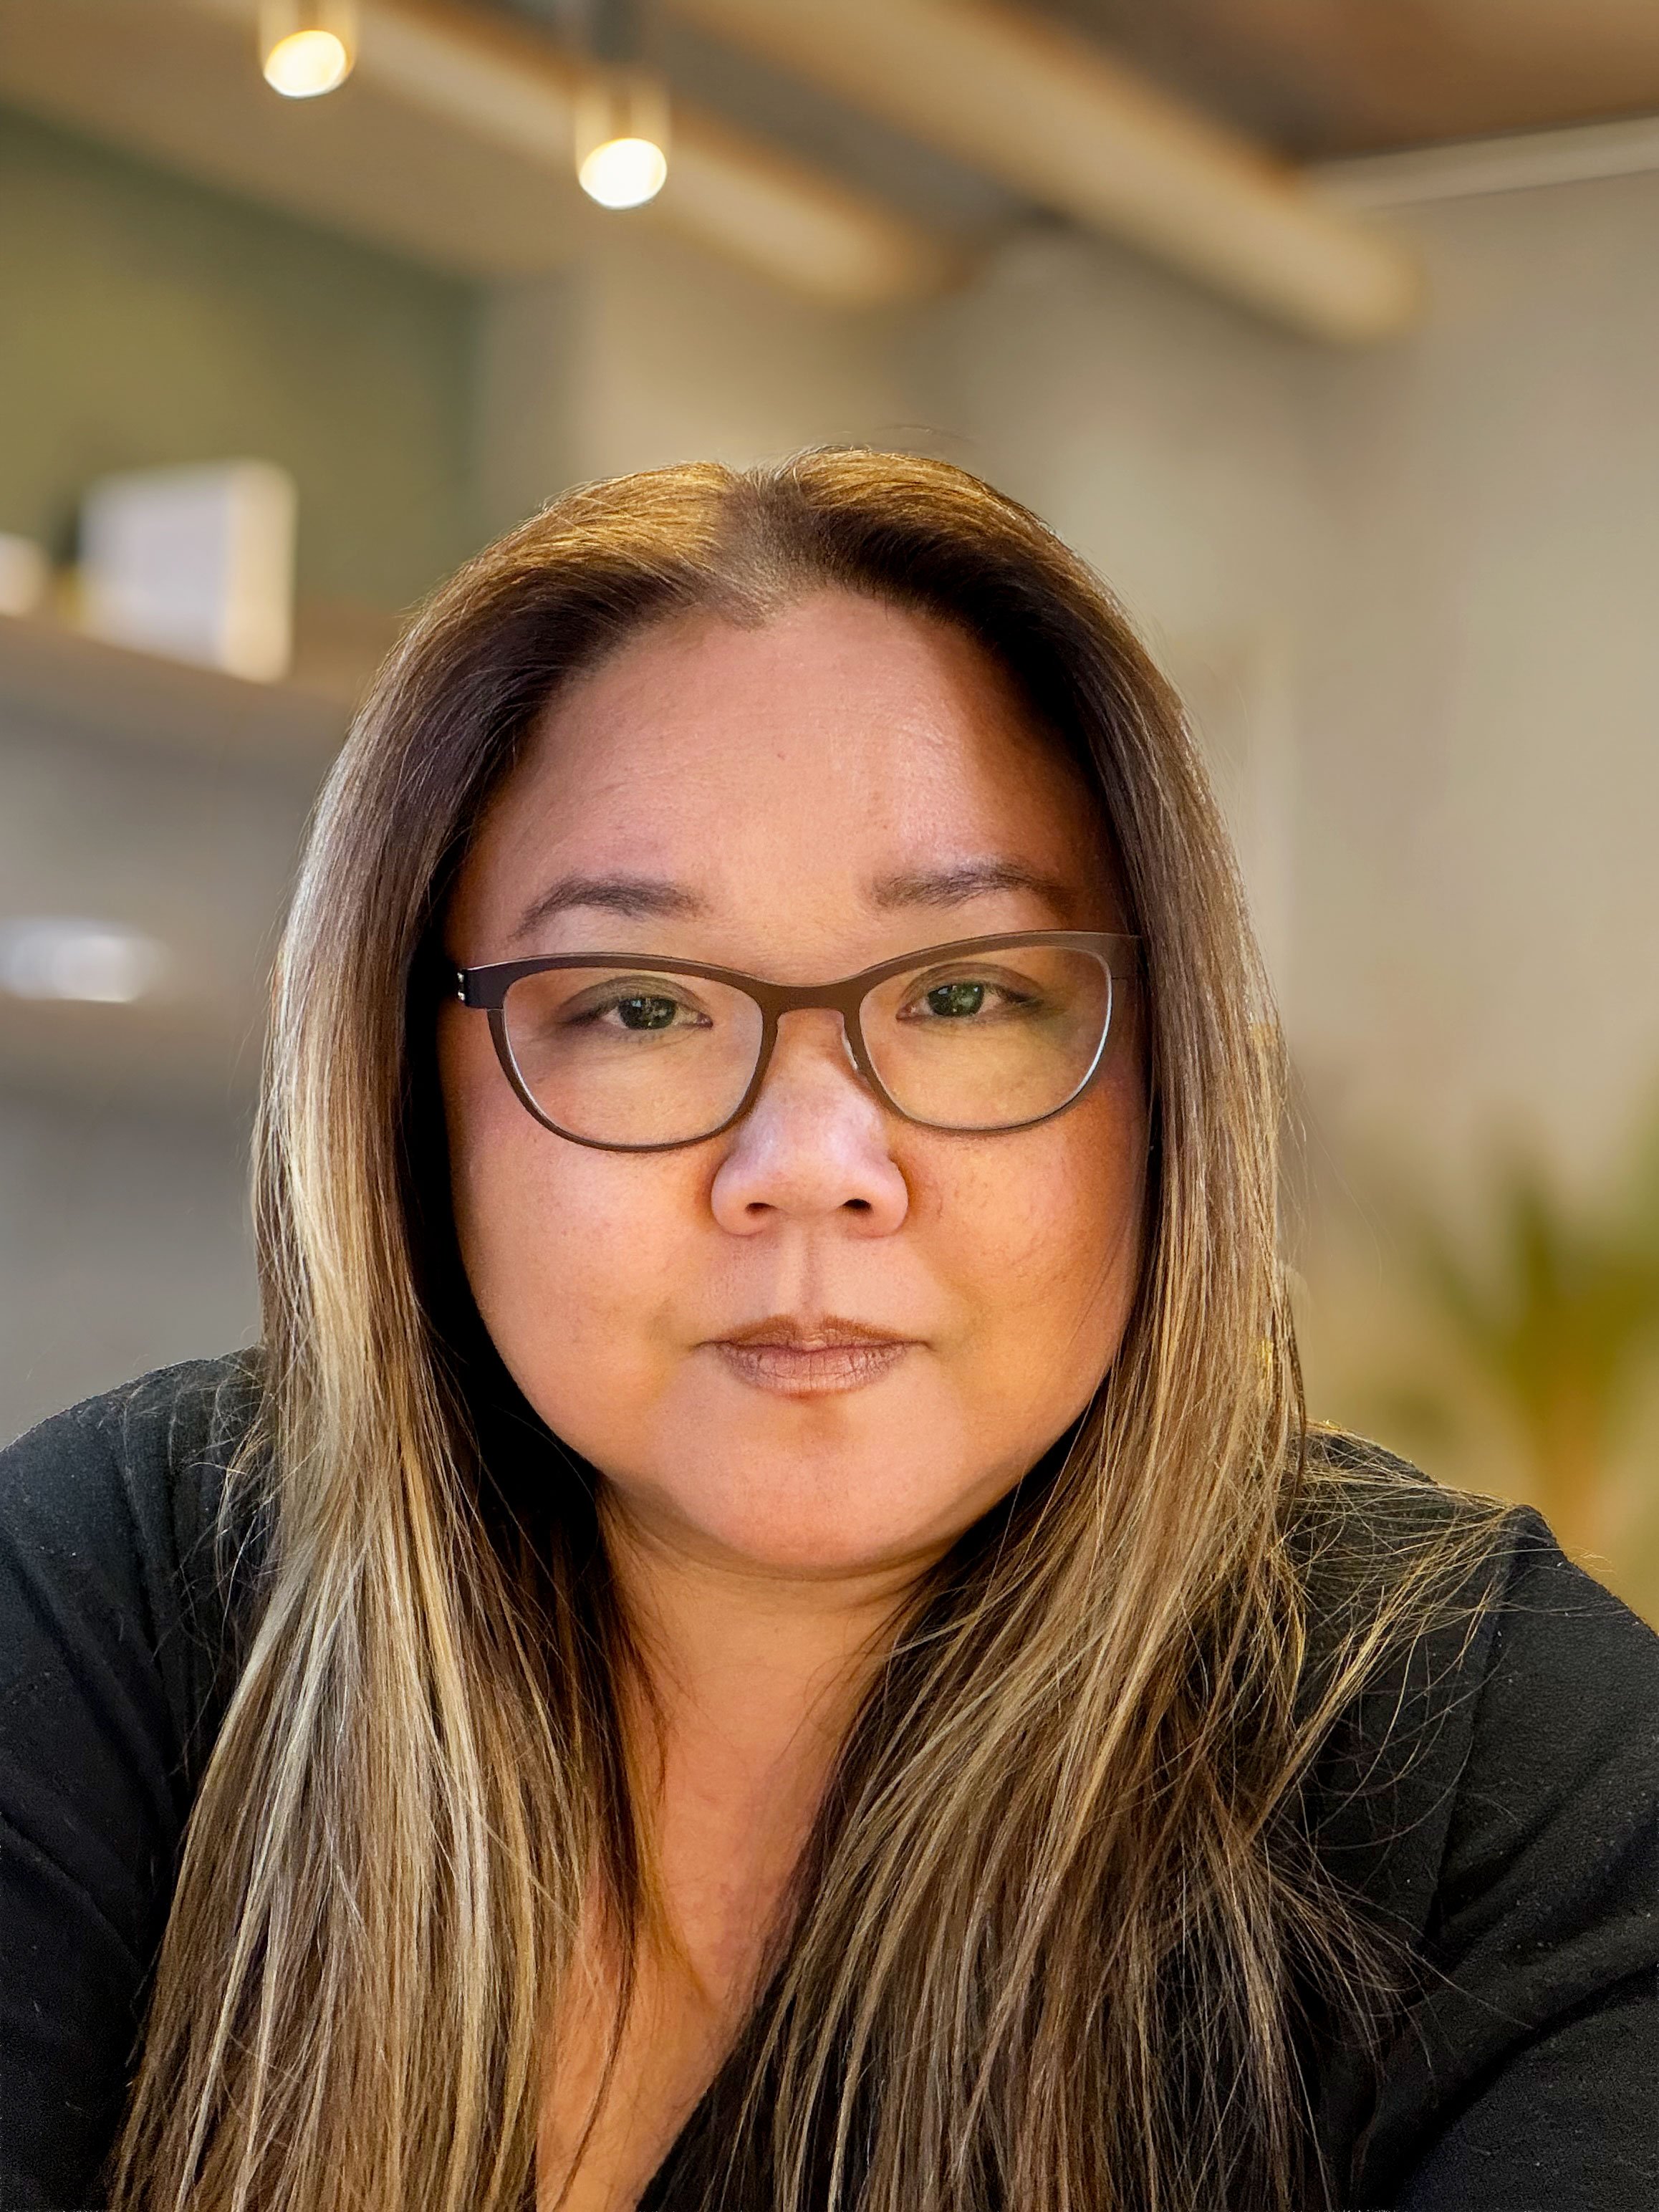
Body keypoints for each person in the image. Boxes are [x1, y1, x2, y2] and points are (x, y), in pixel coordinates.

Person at [1, 451, 1654, 2212]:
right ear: (412, 1094)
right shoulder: (118, 1604)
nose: (808, 1166)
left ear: (1167, 1084)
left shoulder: (1498, 1757)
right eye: (637, 1006)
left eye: (967, 994)